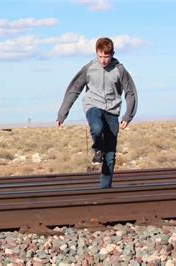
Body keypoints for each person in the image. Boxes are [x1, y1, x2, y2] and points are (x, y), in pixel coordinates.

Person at [56, 37, 138, 189]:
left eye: (106, 56)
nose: (103, 60)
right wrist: (63, 113)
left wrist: (128, 115)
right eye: (100, 56)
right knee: (96, 126)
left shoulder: (119, 70)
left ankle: (105, 191)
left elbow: (130, 92)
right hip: (93, 105)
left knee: (110, 156)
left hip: (112, 112)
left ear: (112, 54)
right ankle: (97, 149)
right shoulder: (89, 68)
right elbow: (75, 89)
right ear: (96, 53)